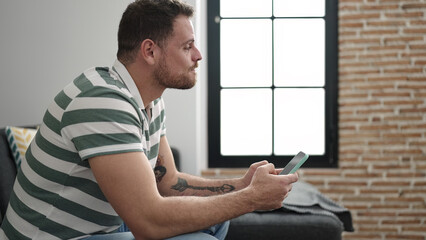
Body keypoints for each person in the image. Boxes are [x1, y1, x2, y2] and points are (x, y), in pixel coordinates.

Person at [0, 0, 298, 239]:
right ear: (150, 51)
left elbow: (168, 182)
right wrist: (252, 199)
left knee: (218, 222)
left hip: (102, 228)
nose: (198, 55)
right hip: (57, 237)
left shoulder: (150, 101)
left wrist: (243, 186)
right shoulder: (101, 101)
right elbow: (147, 222)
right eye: (187, 45)